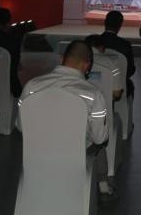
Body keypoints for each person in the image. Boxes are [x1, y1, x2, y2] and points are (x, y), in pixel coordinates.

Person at [18, 40, 115, 204]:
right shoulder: (93, 94)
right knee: (99, 145)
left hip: (36, 156)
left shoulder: (31, 87)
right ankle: (104, 189)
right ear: (87, 66)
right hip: (75, 158)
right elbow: (99, 138)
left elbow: (21, 127)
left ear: (62, 59)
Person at [101, 11, 135, 97]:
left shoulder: (92, 42)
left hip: (95, 84)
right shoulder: (125, 45)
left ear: (105, 22)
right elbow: (130, 70)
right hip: (118, 87)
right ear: (120, 25)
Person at [85, 34, 125, 101]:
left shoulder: (77, 62)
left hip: (80, 104)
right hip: (105, 105)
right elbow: (117, 93)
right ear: (101, 47)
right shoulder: (112, 64)